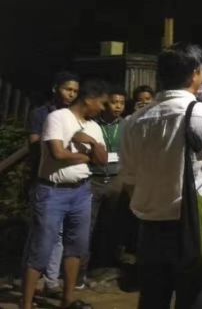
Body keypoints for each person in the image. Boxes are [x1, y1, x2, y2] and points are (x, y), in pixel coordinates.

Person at [119, 43, 202, 309]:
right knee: (193, 297)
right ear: (196, 73)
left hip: (149, 227)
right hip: (193, 225)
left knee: (152, 299)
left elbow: (129, 180)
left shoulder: (133, 121)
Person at [23, 79, 109, 309]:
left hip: (82, 191)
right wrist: (87, 156)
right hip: (52, 191)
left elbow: (102, 160)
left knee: (76, 247)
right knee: (42, 247)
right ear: (89, 100)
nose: (103, 108)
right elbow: (57, 154)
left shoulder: (94, 127)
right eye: (101, 103)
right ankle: (26, 303)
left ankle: (67, 299)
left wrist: (90, 142)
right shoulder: (58, 117)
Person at [24, 71, 80, 298]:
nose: (71, 94)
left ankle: (51, 281)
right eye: (68, 89)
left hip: (69, 179)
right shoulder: (40, 114)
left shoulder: (74, 115)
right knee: (42, 233)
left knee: (60, 234)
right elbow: (36, 144)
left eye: (75, 91)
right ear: (56, 88)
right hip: (44, 179)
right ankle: (33, 282)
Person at [83, 86, 126, 277]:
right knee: (89, 223)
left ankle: (106, 261)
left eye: (121, 103)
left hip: (117, 179)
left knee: (111, 222)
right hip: (94, 178)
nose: (118, 106)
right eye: (114, 102)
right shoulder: (93, 124)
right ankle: (84, 263)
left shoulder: (126, 125)